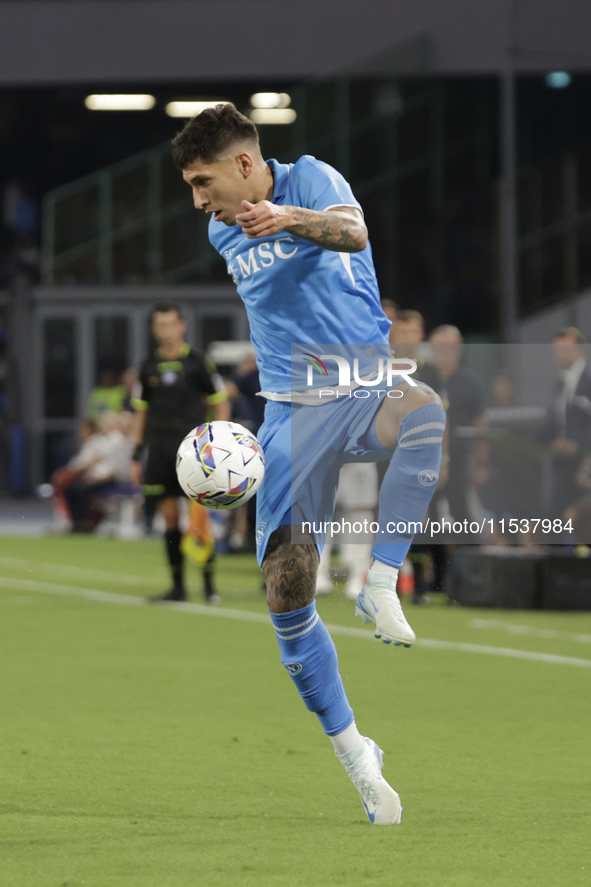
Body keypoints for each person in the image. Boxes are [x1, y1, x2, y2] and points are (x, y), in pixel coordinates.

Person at [171, 104, 445, 825]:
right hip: (294, 409)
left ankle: (381, 579)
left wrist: (286, 217)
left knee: (424, 415)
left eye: (202, 181)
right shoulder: (219, 229)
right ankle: (358, 756)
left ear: (242, 165)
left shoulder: (311, 178)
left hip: (362, 384)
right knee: (285, 598)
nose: (198, 200)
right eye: (191, 188)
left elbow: (352, 232)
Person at [131, 301, 230, 604]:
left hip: (193, 452)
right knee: (170, 517)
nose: (166, 330)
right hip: (159, 451)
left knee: (198, 517)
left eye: (171, 323)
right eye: (160, 325)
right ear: (153, 329)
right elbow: (141, 413)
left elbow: (220, 402)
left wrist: (220, 442)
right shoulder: (148, 366)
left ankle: (210, 586)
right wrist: (136, 454)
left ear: (182, 326)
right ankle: (178, 587)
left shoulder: (198, 363)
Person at [541, 327, 591, 521]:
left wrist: (577, 445)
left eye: (565, 349)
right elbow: (554, 422)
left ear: (580, 351)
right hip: (561, 464)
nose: (559, 354)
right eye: (557, 349)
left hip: (584, 463)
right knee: (555, 517)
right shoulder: (559, 384)